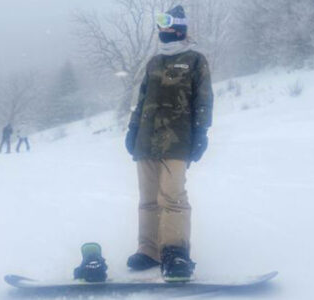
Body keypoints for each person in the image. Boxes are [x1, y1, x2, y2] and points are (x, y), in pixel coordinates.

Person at [125, 5, 214, 281]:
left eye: (166, 23)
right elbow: (140, 101)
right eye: (159, 24)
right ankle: (149, 249)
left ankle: (175, 252)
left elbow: (203, 100)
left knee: (172, 196)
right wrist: (132, 129)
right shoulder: (154, 62)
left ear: (179, 27)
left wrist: (201, 134)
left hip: (177, 140)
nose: (161, 29)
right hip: (146, 141)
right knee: (148, 199)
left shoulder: (195, 60)